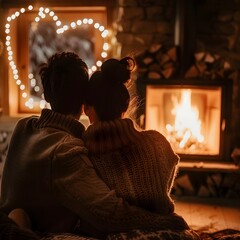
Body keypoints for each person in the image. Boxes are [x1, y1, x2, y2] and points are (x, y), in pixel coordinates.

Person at [0, 52, 189, 239]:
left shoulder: (23, 126)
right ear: (84, 102)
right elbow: (109, 213)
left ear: (46, 94)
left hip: (9, 219)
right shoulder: (67, 150)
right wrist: (164, 220)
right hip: (34, 233)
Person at [83, 57, 183, 219]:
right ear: (126, 104)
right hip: (169, 228)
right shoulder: (157, 143)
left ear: (86, 108)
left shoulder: (83, 153)